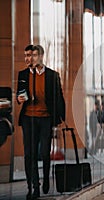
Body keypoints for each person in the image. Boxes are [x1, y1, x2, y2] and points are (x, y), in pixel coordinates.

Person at [17, 45, 65, 199]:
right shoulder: (23, 74)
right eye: (26, 55)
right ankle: (33, 186)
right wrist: (19, 98)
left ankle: (45, 180)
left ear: (40, 56)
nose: (28, 58)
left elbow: (59, 97)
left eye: (32, 55)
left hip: (45, 119)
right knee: (29, 154)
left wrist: (61, 118)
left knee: (44, 153)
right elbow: (20, 94)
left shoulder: (52, 75)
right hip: (28, 118)